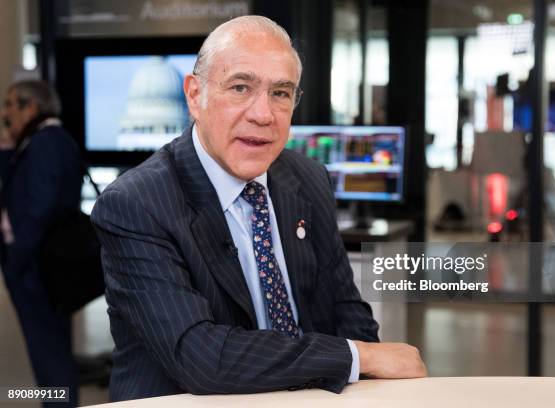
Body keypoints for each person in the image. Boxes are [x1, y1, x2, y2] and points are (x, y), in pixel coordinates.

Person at [91, 15, 426, 401]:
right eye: (240, 87)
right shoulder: (135, 204)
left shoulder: (307, 178)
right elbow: (201, 359)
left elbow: (346, 310)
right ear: (194, 95)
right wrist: (359, 356)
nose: (263, 115)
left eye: (281, 93)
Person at [0, 80, 81, 407]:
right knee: (46, 353)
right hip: (36, 264)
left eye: (11, 106)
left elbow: (39, 207)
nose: (6, 114)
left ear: (31, 107)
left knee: (50, 355)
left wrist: (17, 259)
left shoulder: (47, 142)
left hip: (38, 267)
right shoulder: (40, 140)